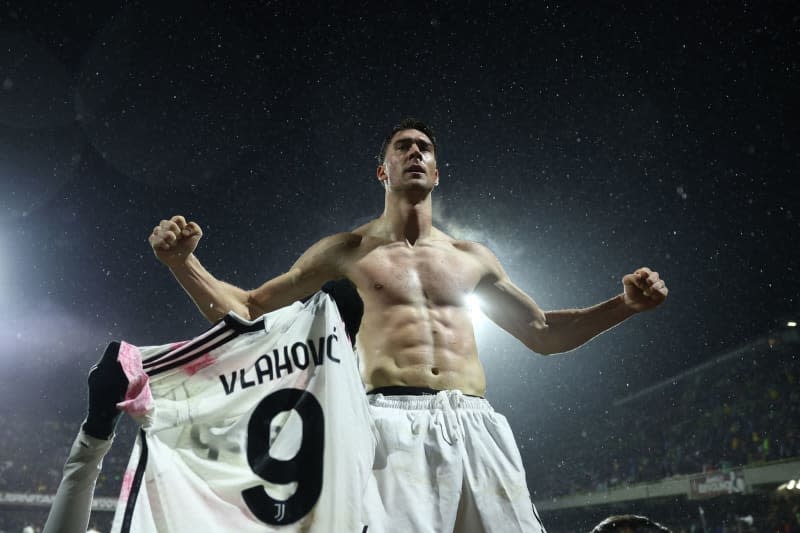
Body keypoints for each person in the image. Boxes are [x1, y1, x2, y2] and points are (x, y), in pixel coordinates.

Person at [148, 118, 668, 532]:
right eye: (403, 147)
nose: (415, 153)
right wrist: (182, 265)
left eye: (424, 148)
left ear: (438, 172)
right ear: (384, 172)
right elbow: (249, 309)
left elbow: (543, 334)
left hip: (475, 423)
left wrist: (623, 306)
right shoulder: (347, 251)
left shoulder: (472, 258)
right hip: (385, 424)